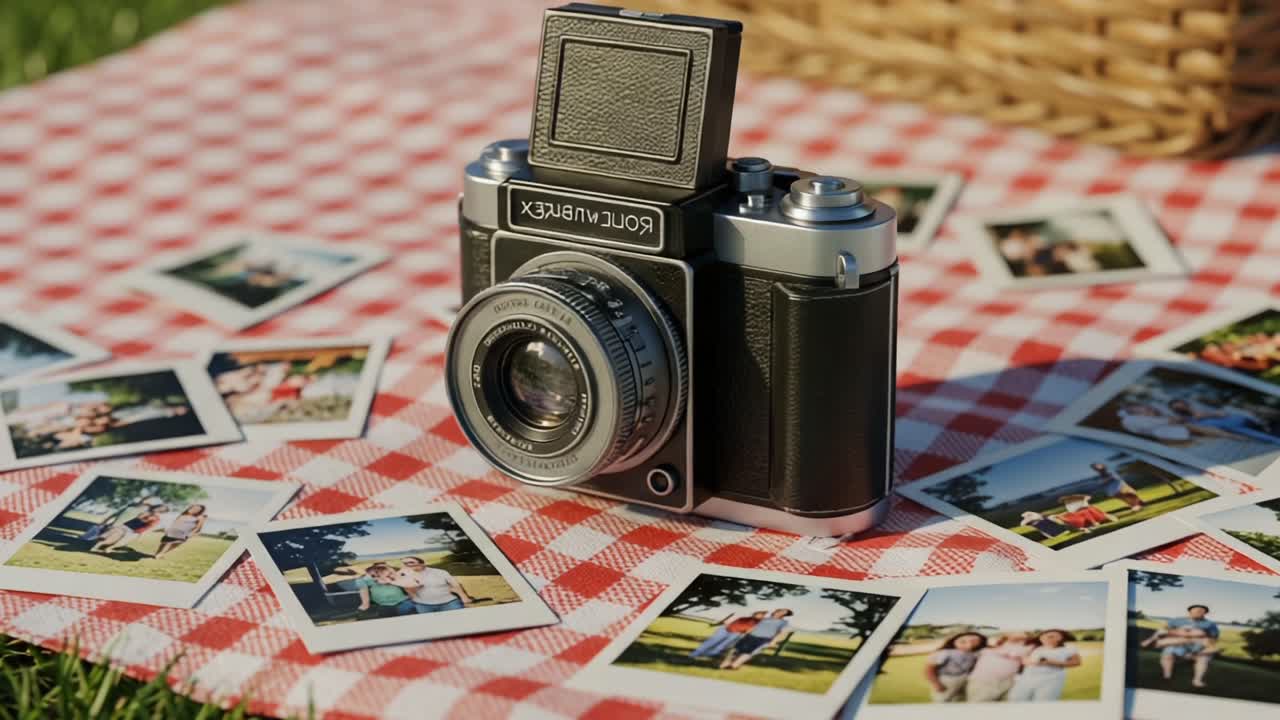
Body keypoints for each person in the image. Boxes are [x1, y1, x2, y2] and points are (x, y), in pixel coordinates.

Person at [1142, 604, 1219, 688]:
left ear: (1205, 613)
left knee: (1203, 658)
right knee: (1168, 652)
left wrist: (1199, 639)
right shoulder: (1177, 620)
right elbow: (1163, 630)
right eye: (1195, 610)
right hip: (1177, 644)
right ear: (1189, 611)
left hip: (1198, 645)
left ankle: (1197, 680)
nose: (1198, 612)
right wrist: (1181, 633)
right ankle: (1167, 676)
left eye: (1201, 611)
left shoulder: (1210, 624)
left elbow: (1213, 639)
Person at [1007, 630, 1081, 702]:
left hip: (1052, 680)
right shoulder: (1036, 648)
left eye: (1051, 636)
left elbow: (1076, 662)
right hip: (1028, 678)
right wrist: (1031, 662)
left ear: (1060, 638)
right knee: (1016, 699)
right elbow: (1025, 660)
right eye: (1043, 637)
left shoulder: (1068, 648)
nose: (1045, 638)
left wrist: (1051, 662)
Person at [966, 632, 1034, 702]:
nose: (1016, 634)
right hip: (983, 680)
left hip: (1008, 681)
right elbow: (981, 650)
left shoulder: (1028, 646)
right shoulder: (992, 643)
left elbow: (1021, 656)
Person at [393, 556, 474, 613]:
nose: (408, 564)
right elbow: (409, 591)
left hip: (449, 603)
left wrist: (464, 598)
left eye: (411, 562)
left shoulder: (440, 572)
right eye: (405, 563)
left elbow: (455, 585)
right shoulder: (404, 576)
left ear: (422, 563)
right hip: (424, 606)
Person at [720, 609, 794, 670]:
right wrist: (745, 633)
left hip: (763, 639)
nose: (777, 611)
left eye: (781, 612)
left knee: (749, 652)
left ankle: (733, 666)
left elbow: (781, 633)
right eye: (778, 610)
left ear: (783, 615)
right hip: (750, 636)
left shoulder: (783, 622)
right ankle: (725, 663)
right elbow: (753, 626)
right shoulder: (764, 619)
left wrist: (773, 641)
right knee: (735, 650)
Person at [922, 632, 986, 702]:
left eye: (974, 641)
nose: (969, 644)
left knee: (960, 699)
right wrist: (936, 683)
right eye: (963, 641)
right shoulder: (945, 653)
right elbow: (929, 669)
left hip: (965, 679)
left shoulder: (974, 653)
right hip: (947, 680)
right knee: (942, 700)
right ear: (954, 640)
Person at [90, 502, 169, 553]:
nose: (157, 511)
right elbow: (142, 522)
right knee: (116, 540)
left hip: (131, 529)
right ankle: (102, 547)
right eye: (158, 509)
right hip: (130, 529)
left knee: (117, 540)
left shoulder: (152, 516)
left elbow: (146, 525)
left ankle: (104, 548)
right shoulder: (150, 515)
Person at [689, 611, 765, 659]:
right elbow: (730, 620)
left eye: (761, 615)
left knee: (723, 645)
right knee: (712, 641)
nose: (759, 616)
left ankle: (709, 654)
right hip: (725, 630)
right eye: (758, 614)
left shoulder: (759, 623)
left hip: (736, 633)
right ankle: (695, 653)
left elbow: (752, 630)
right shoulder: (744, 617)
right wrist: (724, 624)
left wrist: (744, 635)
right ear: (754, 614)